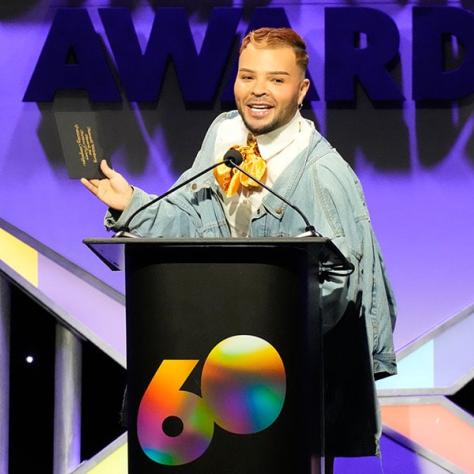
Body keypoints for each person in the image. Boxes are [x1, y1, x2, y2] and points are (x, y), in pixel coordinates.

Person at [82, 27, 396, 468]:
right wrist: (130, 202)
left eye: (276, 80)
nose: (258, 91)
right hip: (209, 363)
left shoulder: (323, 174)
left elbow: (341, 281)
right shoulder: (224, 135)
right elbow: (189, 219)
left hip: (278, 382)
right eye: (248, 77)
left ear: (301, 90)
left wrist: (268, 330)